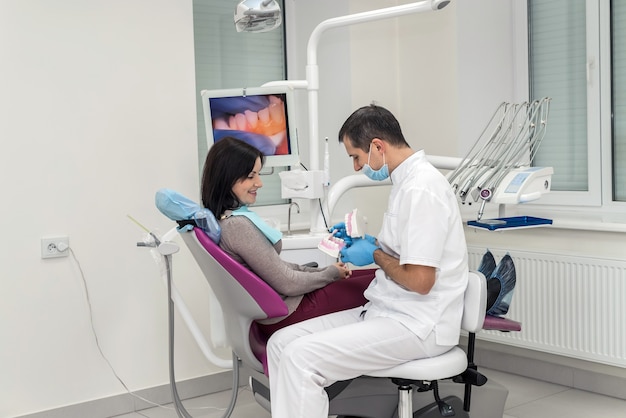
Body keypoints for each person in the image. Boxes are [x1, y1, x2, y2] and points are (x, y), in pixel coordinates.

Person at [266, 104, 469, 418]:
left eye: (356, 156)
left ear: (378, 146)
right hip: (387, 311)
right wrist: (368, 243)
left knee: (300, 358)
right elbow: (405, 253)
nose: (358, 167)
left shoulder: (422, 190)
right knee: (280, 343)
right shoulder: (405, 185)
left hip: (419, 325)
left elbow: (421, 281)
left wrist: (373, 254)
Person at [200, 136, 374, 340]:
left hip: (285, 307)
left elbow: (277, 268)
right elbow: (287, 283)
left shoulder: (226, 221)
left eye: (258, 174)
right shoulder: (237, 226)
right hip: (290, 312)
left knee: (374, 276)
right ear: (226, 178)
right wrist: (330, 274)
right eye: (250, 176)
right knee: (381, 281)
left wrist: (326, 271)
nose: (259, 183)